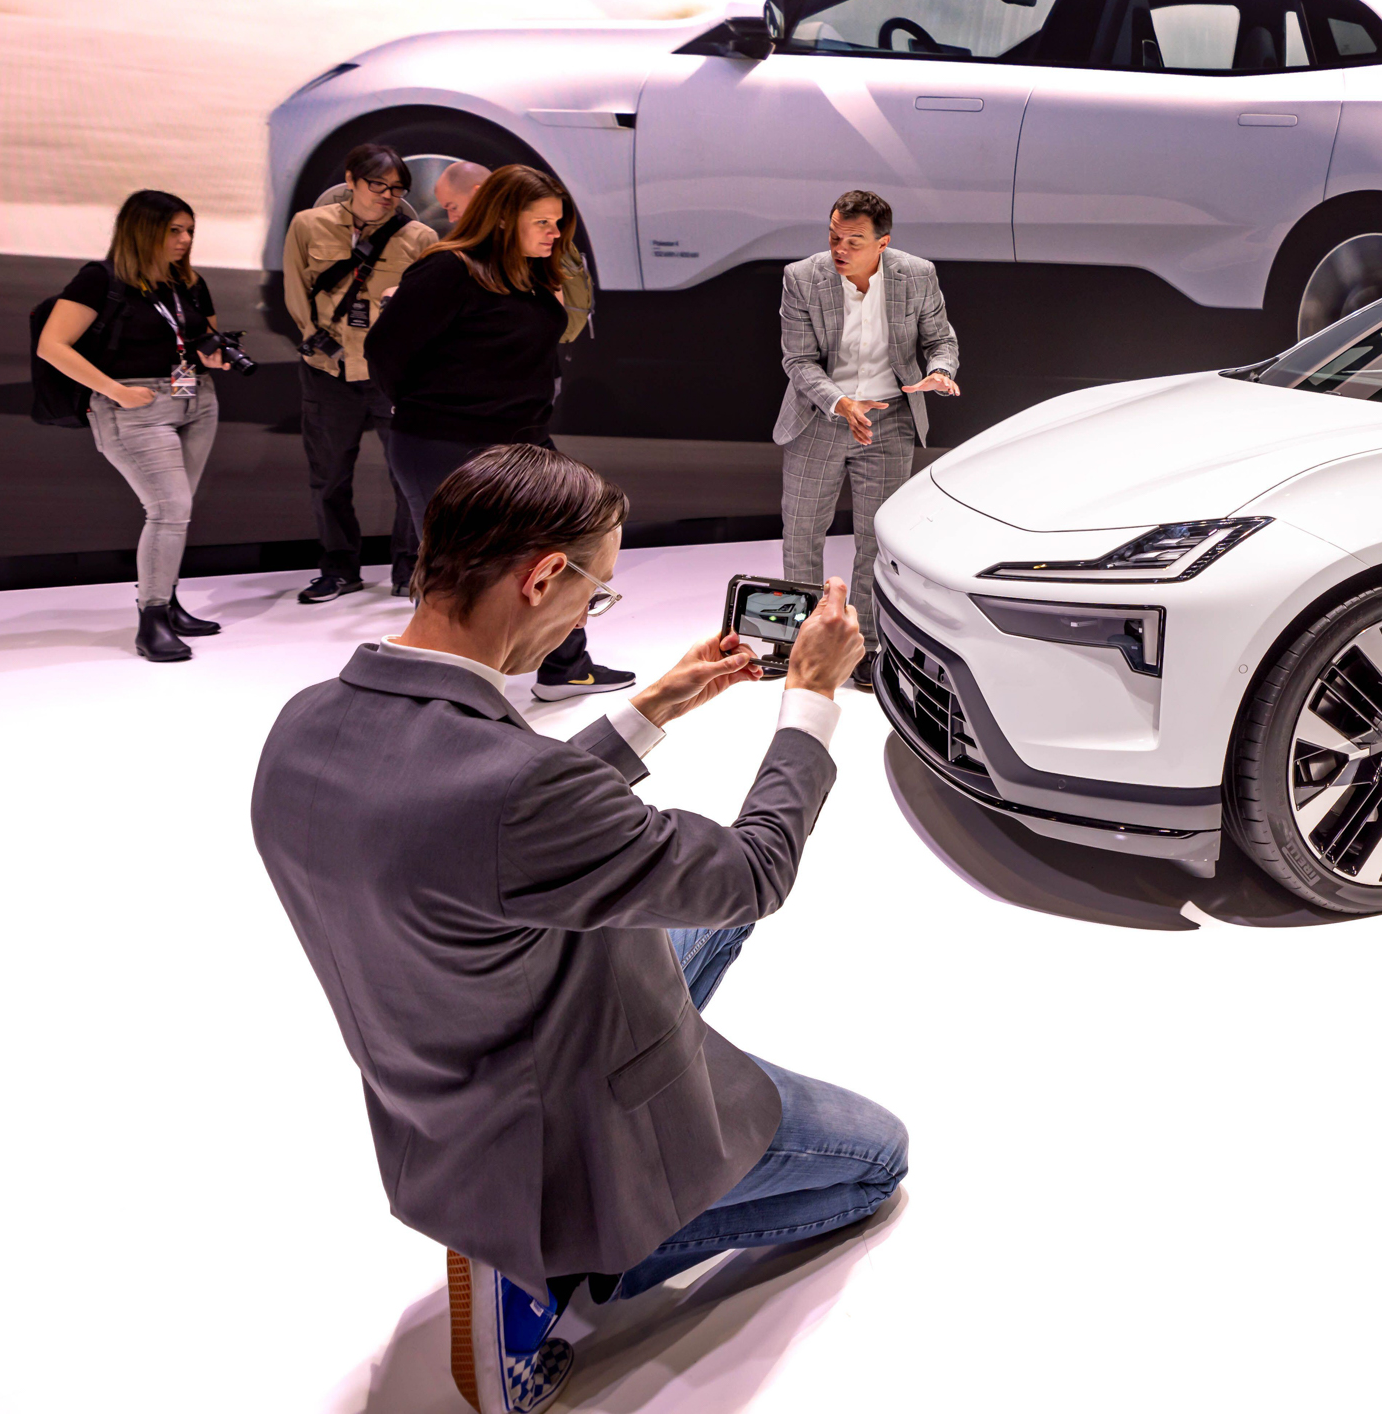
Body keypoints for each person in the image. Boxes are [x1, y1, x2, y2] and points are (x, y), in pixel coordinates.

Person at [250, 445, 901, 1414]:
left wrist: (654, 707)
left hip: (440, 1067)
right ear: (543, 575)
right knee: (877, 1160)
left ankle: (528, 1232)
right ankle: (553, 1259)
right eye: (595, 594)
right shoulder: (513, 787)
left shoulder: (304, 726)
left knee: (700, 940)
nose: (587, 617)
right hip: (553, 1117)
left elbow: (482, 833)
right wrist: (810, 699)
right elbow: (749, 874)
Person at [365, 164, 624, 699]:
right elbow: (385, 351)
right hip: (442, 442)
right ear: (504, 218)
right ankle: (434, 688)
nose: (555, 233)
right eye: (543, 222)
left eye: (558, 222)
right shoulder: (448, 269)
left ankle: (565, 666)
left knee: (565, 548)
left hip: (521, 440)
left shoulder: (531, 271)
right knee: (453, 572)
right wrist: (427, 408)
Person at [34, 190, 230, 662]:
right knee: (169, 509)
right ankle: (152, 620)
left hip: (196, 401)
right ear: (143, 231)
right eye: (174, 231)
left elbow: (203, 336)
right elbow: (52, 345)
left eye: (190, 230)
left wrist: (215, 354)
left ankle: (168, 603)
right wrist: (115, 391)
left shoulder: (188, 281)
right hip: (133, 406)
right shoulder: (100, 280)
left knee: (177, 512)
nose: (185, 240)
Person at [775, 190, 959, 691]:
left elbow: (940, 339)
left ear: (883, 242)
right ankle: (796, 641)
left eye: (854, 241)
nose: (840, 248)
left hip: (889, 419)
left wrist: (940, 371)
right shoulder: (802, 277)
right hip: (819, 417)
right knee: (802, 532)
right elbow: (798, 360)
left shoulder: (916, 275)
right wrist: (841, 403)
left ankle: (866, 645)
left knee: (875, 540)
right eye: (834, 236)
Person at [285, 144, 438, 602]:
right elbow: (294, 289)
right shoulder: (307, 225)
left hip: (393, 376)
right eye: (378, 185)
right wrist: (314, 339)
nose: (388, 195)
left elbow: (426, 308)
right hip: (326, 370)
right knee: (329, 477)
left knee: (409, 479)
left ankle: (410, 570)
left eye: (398, 188)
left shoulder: (420, 237)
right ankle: (338, 570)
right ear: (351, 180)